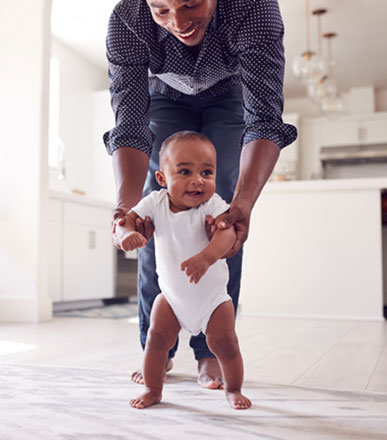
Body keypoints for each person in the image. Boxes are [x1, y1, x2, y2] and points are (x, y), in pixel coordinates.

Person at [103, 0, 297, 388]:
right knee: (152, 211)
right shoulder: (127, 19)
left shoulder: (253, 8)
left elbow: (264, 119)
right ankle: (156, 346)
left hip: (231, 94)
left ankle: (211, 352)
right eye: (162, 9)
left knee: (221, 209)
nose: (178, 22)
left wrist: (242, 204)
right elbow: (130, 126)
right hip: (163, 97)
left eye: (190, 4)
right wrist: (126, 208)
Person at [116, 131, 250, 410]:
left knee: (225, 344)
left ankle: (233, 389)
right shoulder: (155, 202)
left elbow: (226, 236)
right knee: (156, 340)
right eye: (185, 171)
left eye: (207, 172)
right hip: (172, 298)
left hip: (212, 300)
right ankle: (153, 389)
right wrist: (127, 232)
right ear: (163, 179)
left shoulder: (213, 205)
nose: (197, 180)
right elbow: (128, 219)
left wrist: (205, 258)